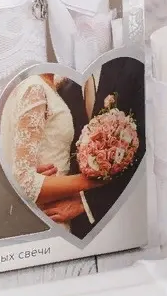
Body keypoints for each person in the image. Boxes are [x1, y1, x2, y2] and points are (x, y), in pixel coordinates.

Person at [41, 57, 145, 239]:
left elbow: (148, 149)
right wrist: (35, 172)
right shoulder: (63, 84)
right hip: (72, 222)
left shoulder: (133, 65)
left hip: (128, 219)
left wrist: (88, 203)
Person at [0, 74, 103, 228]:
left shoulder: (51, 85)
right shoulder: (35, 88)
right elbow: (24, 183)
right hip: (48, 215)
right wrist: (97, 180)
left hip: (54, 207)